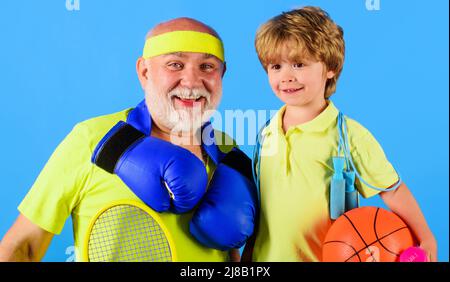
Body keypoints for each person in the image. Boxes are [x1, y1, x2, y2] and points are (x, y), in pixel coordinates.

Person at [0, 17, 257, 262]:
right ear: (144, 72)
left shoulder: (230, 154)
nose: (191, 81)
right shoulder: (93, 140)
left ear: (221, 75)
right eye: (175, 65)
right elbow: (23, 248)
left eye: (207, 66)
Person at [247, 6, 437, 262]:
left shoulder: (348, 136)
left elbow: (392, 190)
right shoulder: (266, 134)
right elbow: (262, 213)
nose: (286, 77)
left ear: (330, 68)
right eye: (276, 66)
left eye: (299, 64)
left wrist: (426, 238)